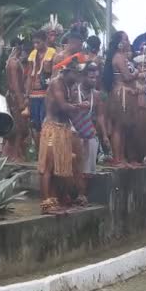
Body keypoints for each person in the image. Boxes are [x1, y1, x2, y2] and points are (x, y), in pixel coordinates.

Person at [37, 56, 87, 214]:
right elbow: (63, 106)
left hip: (63, 129)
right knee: (48, 167)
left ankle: (56, 198)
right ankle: (47, 203)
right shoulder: (57, 83)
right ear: (68, 72)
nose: (79, 78)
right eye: (77, 74)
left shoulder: (67, 85)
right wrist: (80, 106)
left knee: (61, 167)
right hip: (53, 129)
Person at [70, 61, 109, 206]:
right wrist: (77, 106)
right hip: (73, 132)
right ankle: (71, 193)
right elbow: (64, 108)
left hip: (89, 133)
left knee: (88, 168)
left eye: (96, 78)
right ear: (83, 76)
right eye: (91, 77)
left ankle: (82, 194)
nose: (94, 80)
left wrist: (104, 135)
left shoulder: (97, 95)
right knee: (74, 164)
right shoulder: (73, 90)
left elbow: (100, 116)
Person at [103, 31, 142, 167]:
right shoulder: (118, 57)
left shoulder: (122, 57)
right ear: (119, 43)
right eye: (125, 39)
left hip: (126, 93)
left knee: (124, 127)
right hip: (121, 93)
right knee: (118, 127)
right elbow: (127, 77)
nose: (128, 42)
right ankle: (117, 159)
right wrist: (137, 71)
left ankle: (122, 159)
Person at [25, 30, 56, 149]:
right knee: (34, 124)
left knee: (46, 122)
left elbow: (55, 74)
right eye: (34, 43)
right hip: (34, 93)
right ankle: (40, 152)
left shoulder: (53, 53)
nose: (35, 45)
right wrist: (26, 95)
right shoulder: (33, 54)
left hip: (47, 94)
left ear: (45, 41)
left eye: (38, 43)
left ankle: (47, 151)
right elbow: (29, 76)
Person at [3, 37, 29, 162]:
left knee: (18, 127)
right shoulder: (13, 62)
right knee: (19, 127)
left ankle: (11, 153)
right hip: (15, 97)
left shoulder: (12, 61)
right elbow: (14, 85)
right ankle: (14, 155)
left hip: (14, 96)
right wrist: (20, 101)